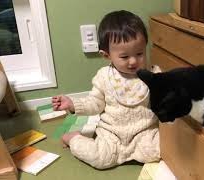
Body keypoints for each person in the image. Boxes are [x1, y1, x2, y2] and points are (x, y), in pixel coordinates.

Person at [52, 10, 160, 169]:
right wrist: (72, 104)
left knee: (161, 150)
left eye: (139, 53)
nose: (133, 61)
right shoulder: (103, 77)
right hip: (112, 134)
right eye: (124, 57)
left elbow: (166, 99)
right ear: (106, 55)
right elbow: (95, 103)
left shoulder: (155, 74)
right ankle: (73, 138)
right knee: (99, 159)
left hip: (144, 133)